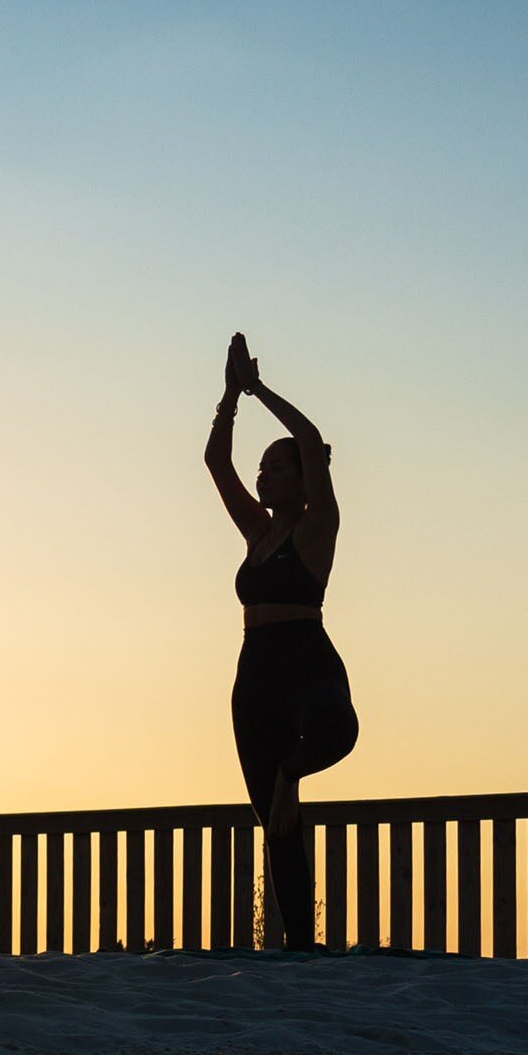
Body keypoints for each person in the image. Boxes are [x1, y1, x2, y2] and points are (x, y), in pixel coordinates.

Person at [206, 332, 355, 949]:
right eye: (263, 466)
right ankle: (300, 947)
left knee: (334, 732)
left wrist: (260, 387)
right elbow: (216, 462)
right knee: (275, 822)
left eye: (277, 464)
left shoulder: (316, 529)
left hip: (305, 657)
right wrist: (229, 396)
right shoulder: (257, 534)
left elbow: (314, 446)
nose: (263, 473)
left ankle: (293, 774)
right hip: (254, 672)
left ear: (302, 476)